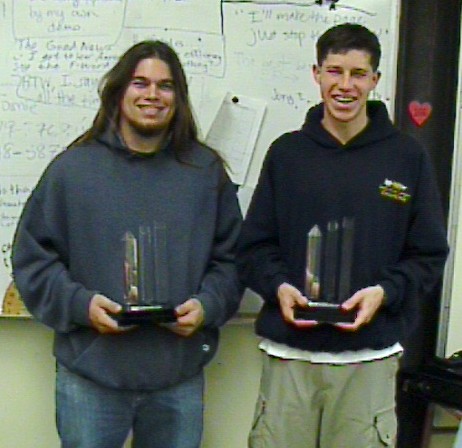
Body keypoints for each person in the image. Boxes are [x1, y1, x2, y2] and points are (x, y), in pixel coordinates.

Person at [11, 40, 242, 448]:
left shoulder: (205, 173)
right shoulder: (72, 171)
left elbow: (234, 260)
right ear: (118, 92)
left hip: (178, 379)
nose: (152, 95)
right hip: (91, 379)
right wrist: (80, 306)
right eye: (140, 83)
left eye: (165, 86)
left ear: (179, 98)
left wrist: (208, 305)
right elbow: (33, 260)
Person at [237, 23, 448, 448]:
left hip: (367, 361)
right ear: (316, 74)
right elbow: (253, 247)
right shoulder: (286, 154)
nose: (345, 86)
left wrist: (385, 293)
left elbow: (427, 255)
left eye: (358, 74)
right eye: (334, 72)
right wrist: (278, 287)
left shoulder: (408, 157)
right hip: (289, 358)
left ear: (375, 80)